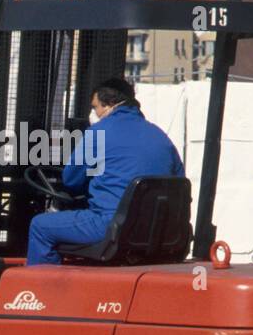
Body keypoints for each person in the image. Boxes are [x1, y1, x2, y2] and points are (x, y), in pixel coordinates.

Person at [26, 77, 185, 266]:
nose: (93, 113)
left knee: (40, 226)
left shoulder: (98, 133)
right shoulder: (162, 137)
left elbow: (72, 180)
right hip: (158, 231)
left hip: (110, 225)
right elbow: (178, 182)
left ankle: (44, 293)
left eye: (95, 108)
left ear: (109, 105)